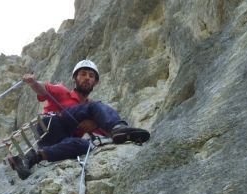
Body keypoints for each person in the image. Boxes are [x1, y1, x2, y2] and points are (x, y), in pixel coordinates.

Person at [8, 59, 150, 180]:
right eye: (83, 74)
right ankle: (118, 127)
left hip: (58, 141)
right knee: (93, 106)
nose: (87, 77)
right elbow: (43, 90)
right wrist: (33, 83)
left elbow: (104, 132)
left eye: (91, 75)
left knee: (84, 145)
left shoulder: (92, 110)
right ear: (75, 78)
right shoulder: (63, 92)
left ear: (95, 82)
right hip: (51, 125)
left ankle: (31, 158)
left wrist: (95, 125)